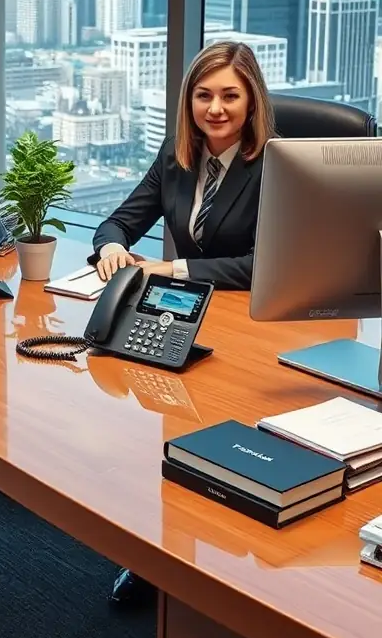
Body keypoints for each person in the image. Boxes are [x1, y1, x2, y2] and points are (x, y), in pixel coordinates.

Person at [92, 40, 275, 607]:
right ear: (188, 101)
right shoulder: (177, 157)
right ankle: (160, 553)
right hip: (187, 319)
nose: (215, 108)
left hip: (254, 331)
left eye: (230, 96)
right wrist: (112, 249)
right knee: (170, 435)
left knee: (219, 450)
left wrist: (173, 267)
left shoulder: (274, 165)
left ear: (252, 101)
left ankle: (217, 573)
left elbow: (265, 264)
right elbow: (118, 222)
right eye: (203, 95)